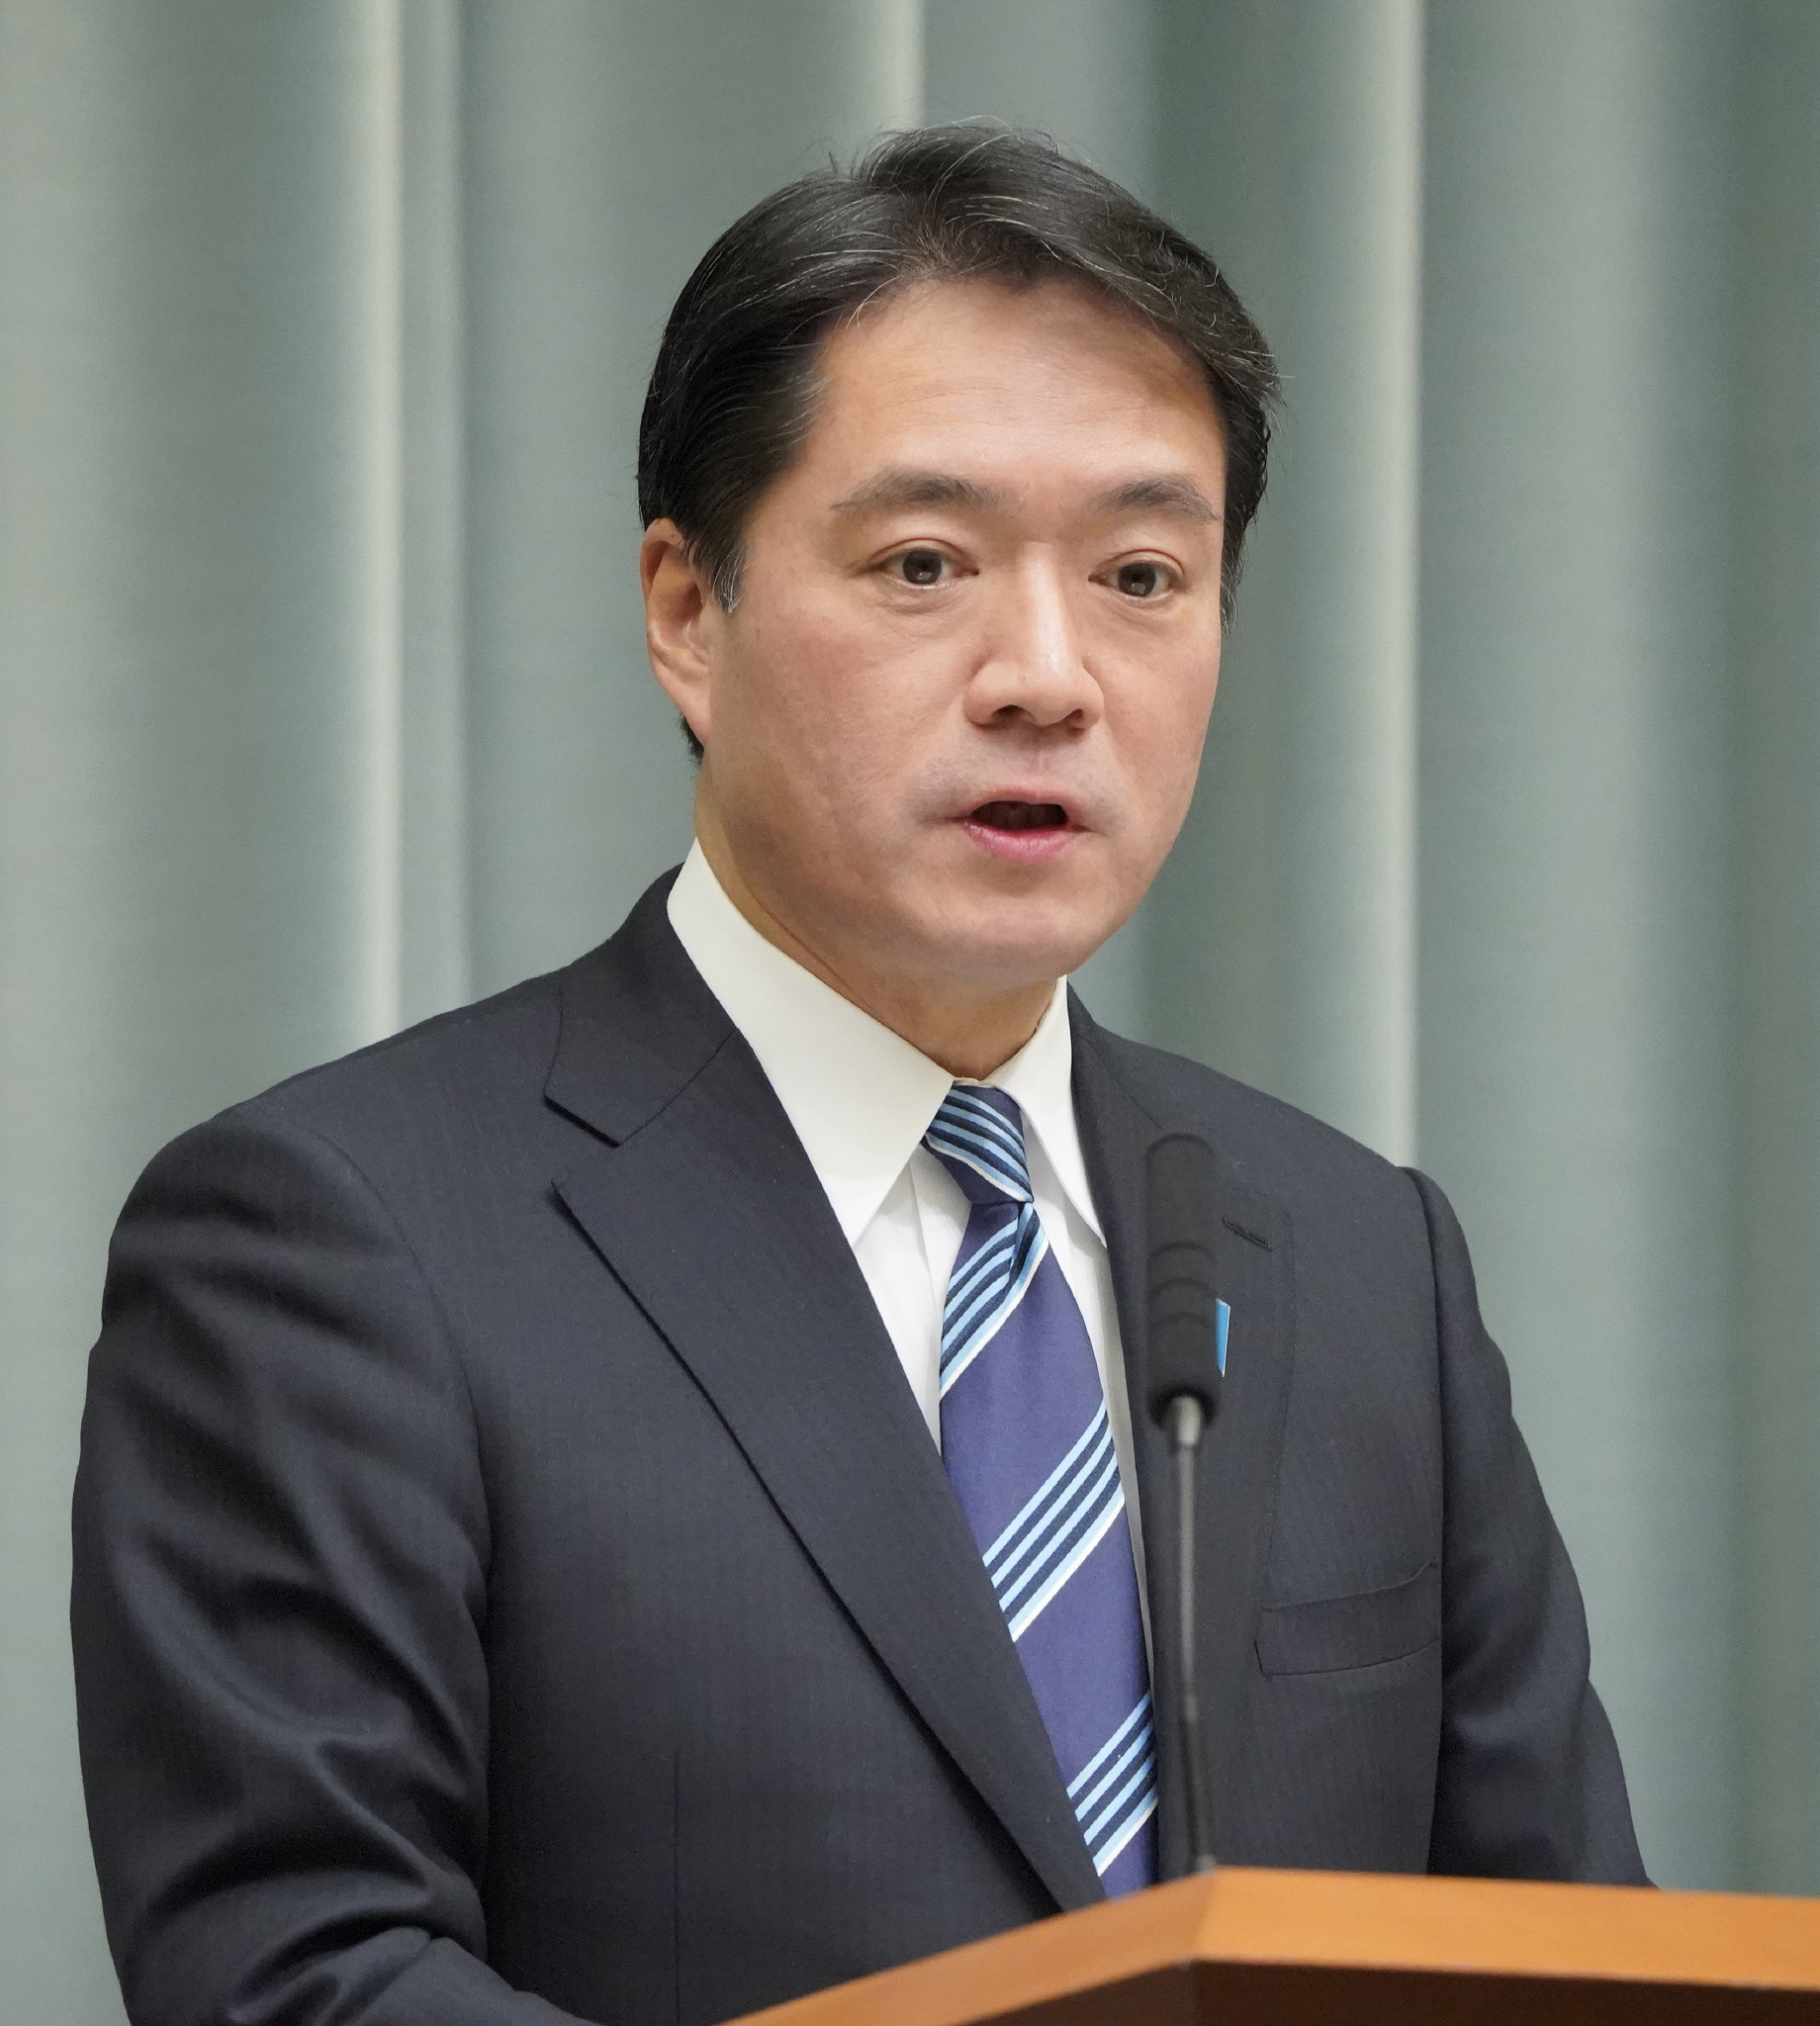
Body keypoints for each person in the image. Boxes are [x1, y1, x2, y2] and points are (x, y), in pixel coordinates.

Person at [71, 127, 1645, 2026]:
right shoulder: (344, 1242)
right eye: (924, 564)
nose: (1048, 675)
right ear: (689, 612)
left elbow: (1574, 1966)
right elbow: (298, 1975)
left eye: (1144, 574)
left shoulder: (1360, 1256)